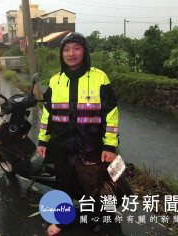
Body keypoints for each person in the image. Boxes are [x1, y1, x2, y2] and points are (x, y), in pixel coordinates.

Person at [37, 32, 119, 235]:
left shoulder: (100, 77)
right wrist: (43, 140)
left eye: (76, 48)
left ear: (85, 51)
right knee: (63, 183)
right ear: (61, 53)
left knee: (93, 187)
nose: (71, 53)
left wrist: (110, 145)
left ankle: (96, 222)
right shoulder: (55, 80)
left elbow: (111, 113)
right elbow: (48, 112)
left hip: (90, 146)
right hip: (62, 145)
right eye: (66, 49)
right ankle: (63, 220)